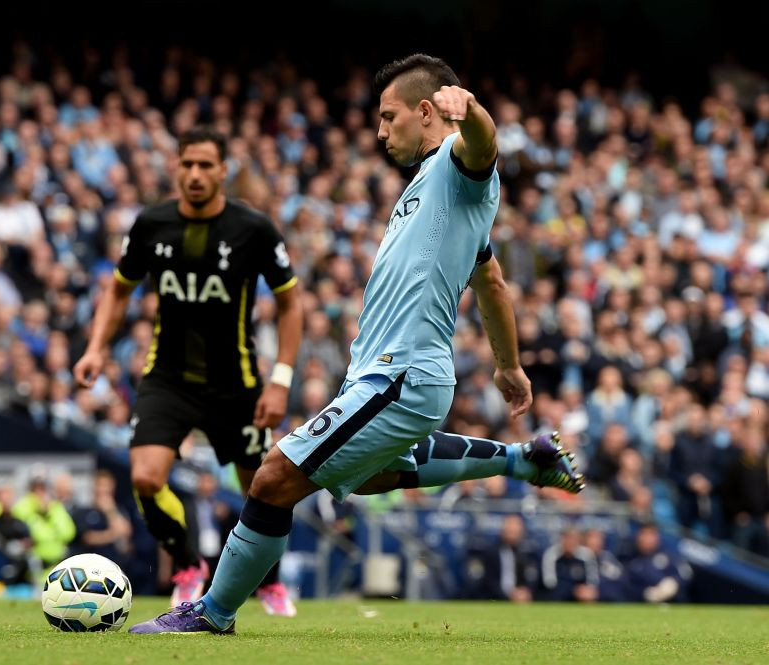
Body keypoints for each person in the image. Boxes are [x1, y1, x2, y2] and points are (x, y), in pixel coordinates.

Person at [130, 54, 583, 634]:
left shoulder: (454, 163)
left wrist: (467, 108)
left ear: (426, 111)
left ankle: (212, 615)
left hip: (402, 374)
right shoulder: (438, 197)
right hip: (394, 376)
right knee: (370, 476)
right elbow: (490, 280)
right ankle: (525, 459)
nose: (379, 131)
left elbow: (483, 146)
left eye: (388, 117)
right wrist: (507, 365)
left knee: (272, 478)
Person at [73, 126, 303, 614]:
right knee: (145, 479)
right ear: (176, 168)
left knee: (263, 486)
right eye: (187, 164)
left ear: (223, 171)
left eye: (205, 165)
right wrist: (96, 348)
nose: (195, 174)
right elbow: (118, 289)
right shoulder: (151, 223)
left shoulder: (254, 229)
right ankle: (185, 564)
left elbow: (289, 303)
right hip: (167, 378)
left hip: (236, 383)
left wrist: (280, 379)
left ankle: (270, 581)